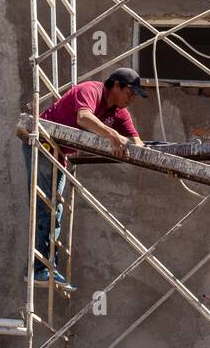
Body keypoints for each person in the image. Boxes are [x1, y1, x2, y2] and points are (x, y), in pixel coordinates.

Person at [25, 67, 147, 289]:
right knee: (45, 207)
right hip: (43, 143)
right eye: (130, 93)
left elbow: (136, 142)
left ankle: (47, 268)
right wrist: (113, 136)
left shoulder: (119, 113)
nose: (131, 99)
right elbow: (84, 118)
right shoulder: (91, 90)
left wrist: (138, 151)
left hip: (60, 152)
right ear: (116, 85)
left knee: (55, 210)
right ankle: (38, 270)